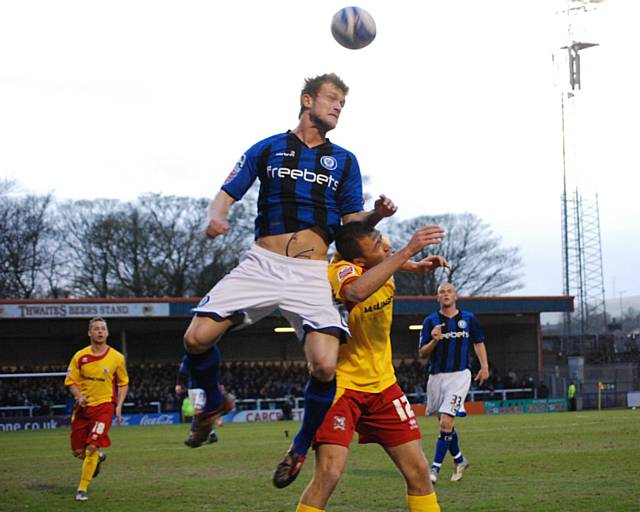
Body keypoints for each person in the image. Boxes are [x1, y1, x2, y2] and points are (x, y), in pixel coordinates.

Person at [181, 73, 397, 484]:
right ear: (307, 100)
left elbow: (351, 224)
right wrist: (217, 215)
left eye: (342, 104)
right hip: (261, 263)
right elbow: (228, 191)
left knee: (324, 366)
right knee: (195, 338)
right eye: (332, 99)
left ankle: (298, 448)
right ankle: (211, 402)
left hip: (311, 272)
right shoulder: (268, 148)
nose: (337, 107)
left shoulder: (345, 161)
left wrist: (376, 216)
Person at [296, 221, 447, 512]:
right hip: (340, 388)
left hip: (383, 386)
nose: (387, 245)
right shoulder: (340, 272)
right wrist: (408, 252)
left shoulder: (379, 258)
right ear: (358, 261)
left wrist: (413, 265)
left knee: (419, 473)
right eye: (378, 246)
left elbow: (383, 262)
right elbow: (355, 292)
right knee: (328, 475)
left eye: (382, 239)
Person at [418, 283, 489, 484]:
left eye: (449, 291)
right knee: (444, 426)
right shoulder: (430, 321)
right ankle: (459, 459)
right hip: (436, 377)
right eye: (442, 292)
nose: (445, 294)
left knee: (446, 422)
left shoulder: (468, 319)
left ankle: (435, 469)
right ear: (437, 298)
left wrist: (484, 366)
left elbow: (478, 341)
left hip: (460, 375)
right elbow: (422, 353)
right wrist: (433, 341)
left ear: (455, 296)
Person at [64, 317, 129, 502]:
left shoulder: (117, 358)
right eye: (96, 329)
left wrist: (118, 406)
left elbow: (124, 383)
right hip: (83, 409)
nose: (100, 331)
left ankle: (82, 488)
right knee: (78, 451)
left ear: (107, 333)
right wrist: (78, 396)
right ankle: (97, 458)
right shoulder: (80, 356)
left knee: (92, 446)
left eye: (103, 328)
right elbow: (71, 382)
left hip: (104, 407)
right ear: (89, 333)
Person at [175, 346, 234, 447]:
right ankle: (211, 435)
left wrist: (179, 384)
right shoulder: (197, 356)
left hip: (198, 389)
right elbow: (183, 370)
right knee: (200, 413)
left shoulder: (191, 356)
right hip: (194, 388)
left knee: (199, 412)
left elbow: (183, 371)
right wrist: (179, 384)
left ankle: (193, 436)